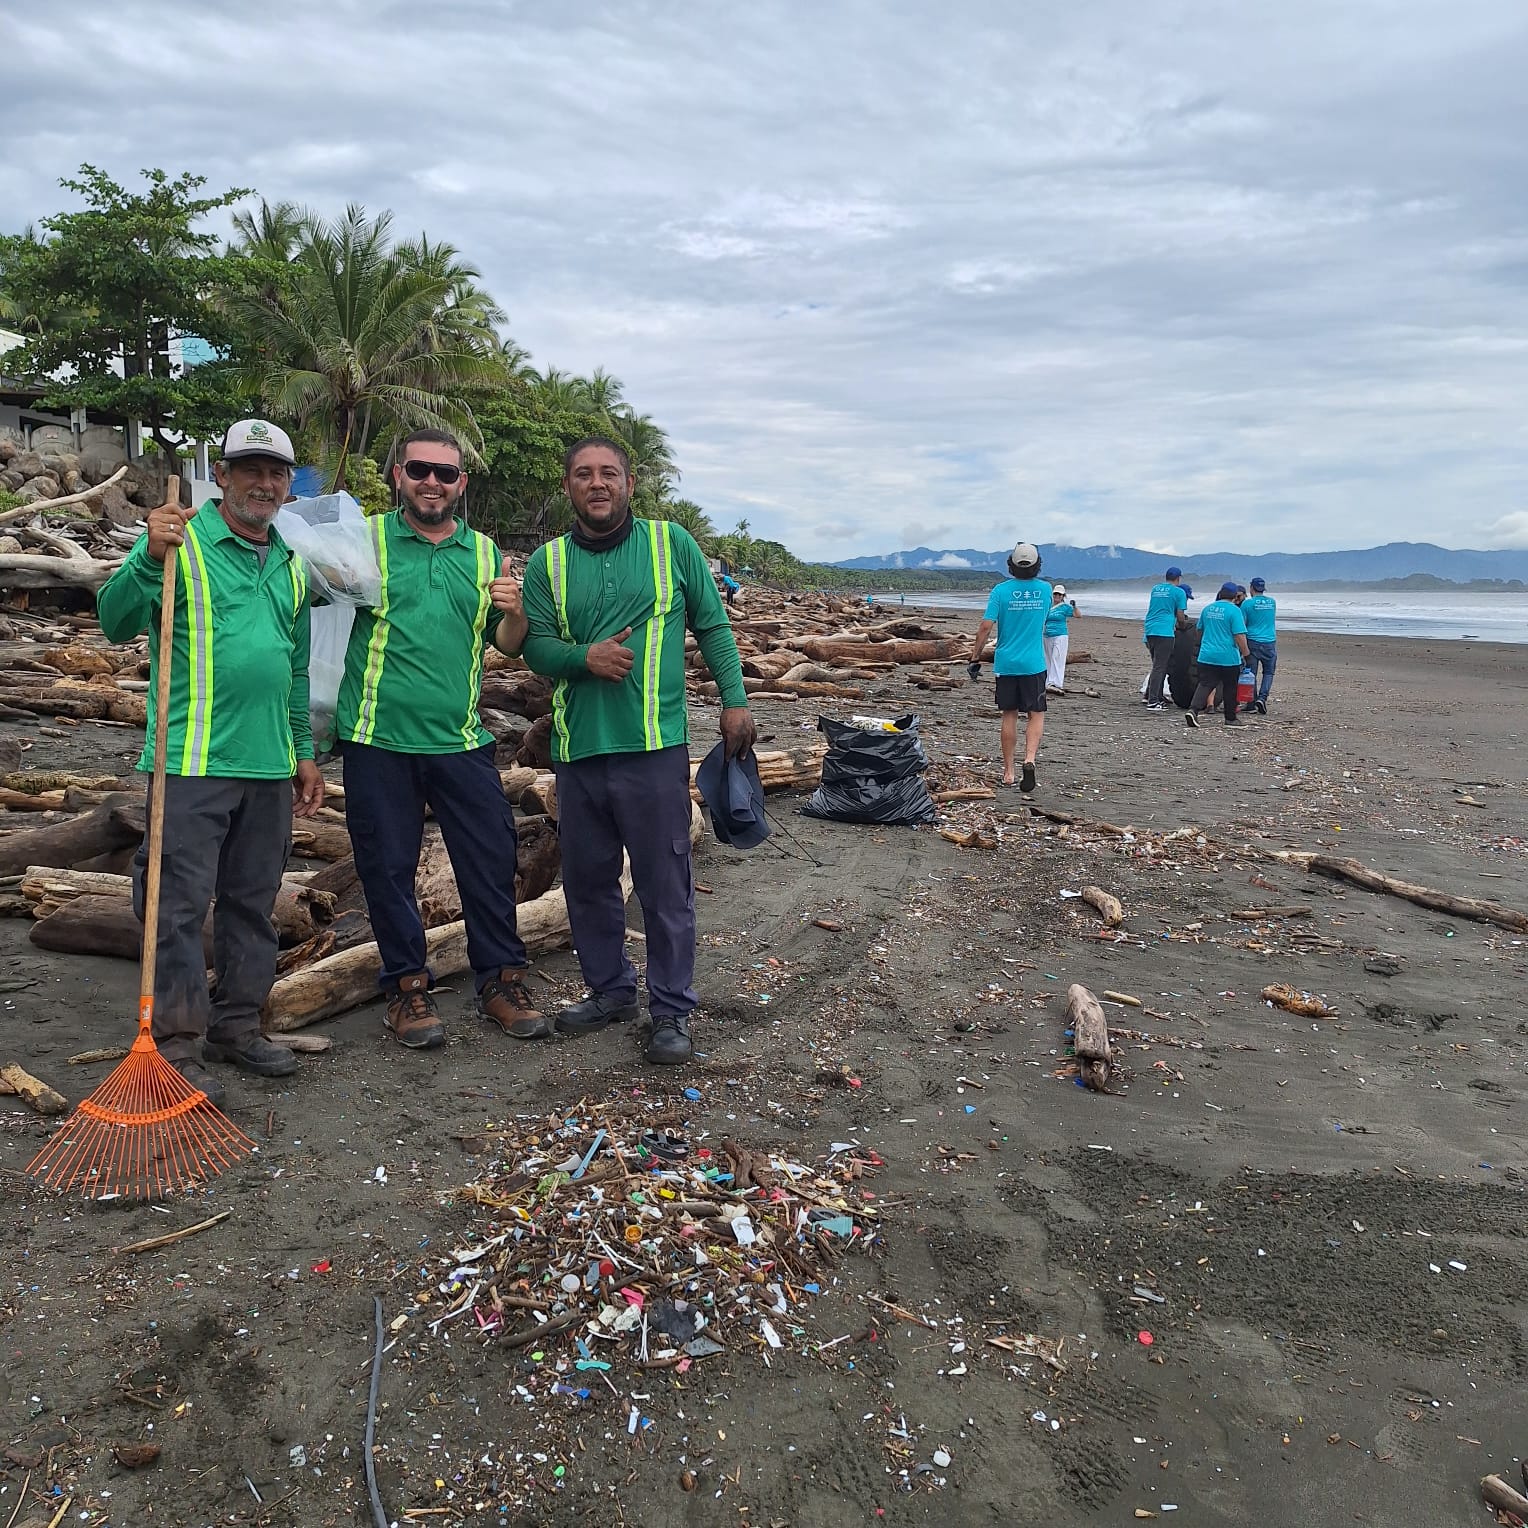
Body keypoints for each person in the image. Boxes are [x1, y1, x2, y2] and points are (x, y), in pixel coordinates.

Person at [95, 419, 325, 1106]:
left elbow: (295, 670)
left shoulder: (291, 565)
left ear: (288, 485)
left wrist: (304, 754)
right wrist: (144, 557)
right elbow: (112, 622)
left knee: (254, 906)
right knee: (173, 906)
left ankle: (237, 1026)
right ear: (220, 476)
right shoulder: (179, 542)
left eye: (276, 472)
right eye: (249, 469)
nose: (264, 483)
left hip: (267, 767)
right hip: (191, 761)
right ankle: (175, 1044)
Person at [514, 437, 754, 1066]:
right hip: (577, 749)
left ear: (630, 481)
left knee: (663, 884)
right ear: (568, 485)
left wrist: (735, 699)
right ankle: (610, 991)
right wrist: (582, 658)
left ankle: (672, 1010)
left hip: (652, 750)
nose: (598, 484)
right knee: (588, 881)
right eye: (584, 475)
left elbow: (712, 624)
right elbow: (531, 648)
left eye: (609, 474)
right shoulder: (548, 564)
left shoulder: (670, 543)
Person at [334, 429, 545, 1050]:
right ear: (398, 474)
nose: (433, 482)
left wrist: (515, 612)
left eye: (446, 474)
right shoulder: (364, 540)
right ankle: (406, 989)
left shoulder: (484, 554)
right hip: (377, 740)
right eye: (420, 470)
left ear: (462, 485)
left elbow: (505, 645)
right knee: (387, 867)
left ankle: (501, 980)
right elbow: (305, 596)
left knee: (489, 860)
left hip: (460, 740)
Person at [968, 541, 1051, 793]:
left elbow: (985, 626)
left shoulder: (1000, 591)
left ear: (1011, 565)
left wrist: (975, 657)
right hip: (1034, 663)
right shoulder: (1046, 590)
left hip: (1006, 662)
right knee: (1035, 713)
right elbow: (1043, 620)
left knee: (1009, 714)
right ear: (1037, 565)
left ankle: (1008, 772)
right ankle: (1029, 760)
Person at [1185, 582, 1250, 728]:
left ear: (1220, 594)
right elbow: (1239, 635)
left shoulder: (1207, 609)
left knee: (1205, 684)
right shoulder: (1234, 611)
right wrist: (1246, 653)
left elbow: (1199, 631)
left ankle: (1193, 710)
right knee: (1230, 687)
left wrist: (1203, 643)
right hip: (1228, 657)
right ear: (1235, 596)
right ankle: (1230, 718)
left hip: (1207, 655)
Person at [1142, 566, 1190, 711]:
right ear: (1178, 578)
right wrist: (1183, 626)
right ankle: (1153, 701)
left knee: (1157, 664)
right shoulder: (1179, 592)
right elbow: (1180, 615)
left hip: (1150, 629)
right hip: (1164, 631)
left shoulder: (1156, 589)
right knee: (1160, 666)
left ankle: (1152, 694)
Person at [1242, 576, 1277, 713]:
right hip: (1269, 641)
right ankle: (1262, 698)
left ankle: (1252, 701)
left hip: (1253, 640)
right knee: (1269, 672)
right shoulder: (1272, 602)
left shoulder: (1247, 604)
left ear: (1251, 588)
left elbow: (1243, 623)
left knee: (1252, 673)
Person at [1043, 584, 1076, 694]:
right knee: (1047, 658)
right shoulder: (1048, 606)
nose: (1057, 596)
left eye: (1059, 594)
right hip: (1047, 635)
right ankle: (1047, 681)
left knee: (1057, 657)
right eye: (1055, 594)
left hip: (1060, 634)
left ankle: (1056, 682)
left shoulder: (1065, 607)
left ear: (1063, 596)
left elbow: (1077, 615)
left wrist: (1074, 607)